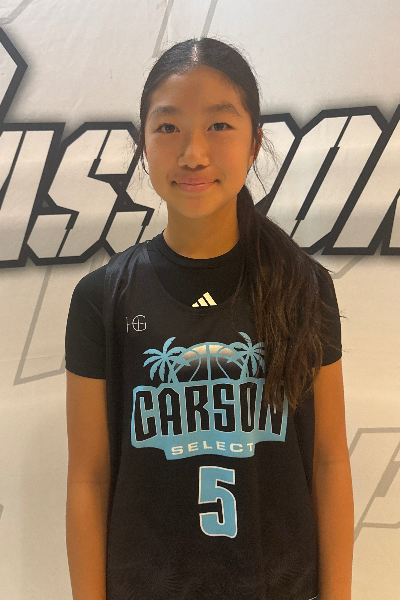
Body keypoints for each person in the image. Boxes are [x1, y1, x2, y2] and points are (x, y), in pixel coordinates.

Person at [65, 37, 354, 600]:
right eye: (168, 127)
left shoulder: (304, 286)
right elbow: (89, 478)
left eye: (219, 125)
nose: (193, 152)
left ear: (255, 142)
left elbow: (327, 461)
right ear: (143, 143)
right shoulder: (102, 297)